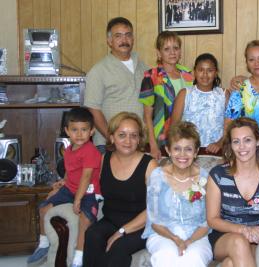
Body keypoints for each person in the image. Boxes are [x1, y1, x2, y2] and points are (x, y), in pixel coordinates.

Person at [27, 107, 102, 267]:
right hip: (70, 189)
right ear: (67, 131)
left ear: (92, 131)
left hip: (88, 192)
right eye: (75, 130)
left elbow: (86, 176)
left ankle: (79, 256)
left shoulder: (90, 151)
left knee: (85, 220)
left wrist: (78, 199)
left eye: (84, 130)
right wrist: (63, 181)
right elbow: (71, 170)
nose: (79, 134)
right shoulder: (68, 150)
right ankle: (43, 243)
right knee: (43, 208)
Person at [83, 112, 157, 267]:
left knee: (118, 246)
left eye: (133, 135)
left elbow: (154, 210)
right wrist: (63, 184)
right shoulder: (105, 158)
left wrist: (122, 231)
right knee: (92, 235)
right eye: (122, 135)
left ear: (139, 139)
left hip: (141, 226)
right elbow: (85, 179)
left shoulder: (150, 165)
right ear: (112, 137)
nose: (128, 141)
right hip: (110, 220)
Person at [206, 117, 259, 267]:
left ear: (258, 142)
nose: (242, 147)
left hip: (258, 236)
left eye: (247, 140)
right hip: (224, 237)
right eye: (236, 141)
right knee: (239, 242)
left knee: (230, 264)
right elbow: (212, 219)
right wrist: (243, 230)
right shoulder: (218, 175)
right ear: (231, 145)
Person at [142, 121, 212, 267]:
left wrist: (189, 241)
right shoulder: (157, 177)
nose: (182, 155)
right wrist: (176, 239)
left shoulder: (204, 178)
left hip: (197, 236)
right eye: (177, 149)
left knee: (193, 258)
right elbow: (154, 220)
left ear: (196, 151)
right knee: (166, 256)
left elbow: (206, 222)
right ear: (168, 150)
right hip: (163, 234)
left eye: (188, 149)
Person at [84, 17, 148, 153]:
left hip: (137, 143)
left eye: (128, 35)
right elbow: (93, 109)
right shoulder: (98, 71)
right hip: (108, 145)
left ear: (133, 39)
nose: (124, 40)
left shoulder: (143, 67)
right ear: (109, 41)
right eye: (118, 36)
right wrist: (111, 138)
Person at [139, 31, 193, 160]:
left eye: (176, 48)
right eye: (167, 49)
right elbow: (147, 115)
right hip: (162, 138)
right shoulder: (151, 76)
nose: (172, 52)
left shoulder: (189, 75)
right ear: (159, 53)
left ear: (180, 51)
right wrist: (152, 144)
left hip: (187, 136)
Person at [171, 53, 228, 153]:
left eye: (210, 70)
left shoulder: (224, 94)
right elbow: (174, 127)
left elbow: (229, 127)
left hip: (217, 151)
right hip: (188, 152)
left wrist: (220, 143)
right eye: (201, 70)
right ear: (195, 72)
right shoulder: (184, 94)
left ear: (216, 73)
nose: (205, 74)